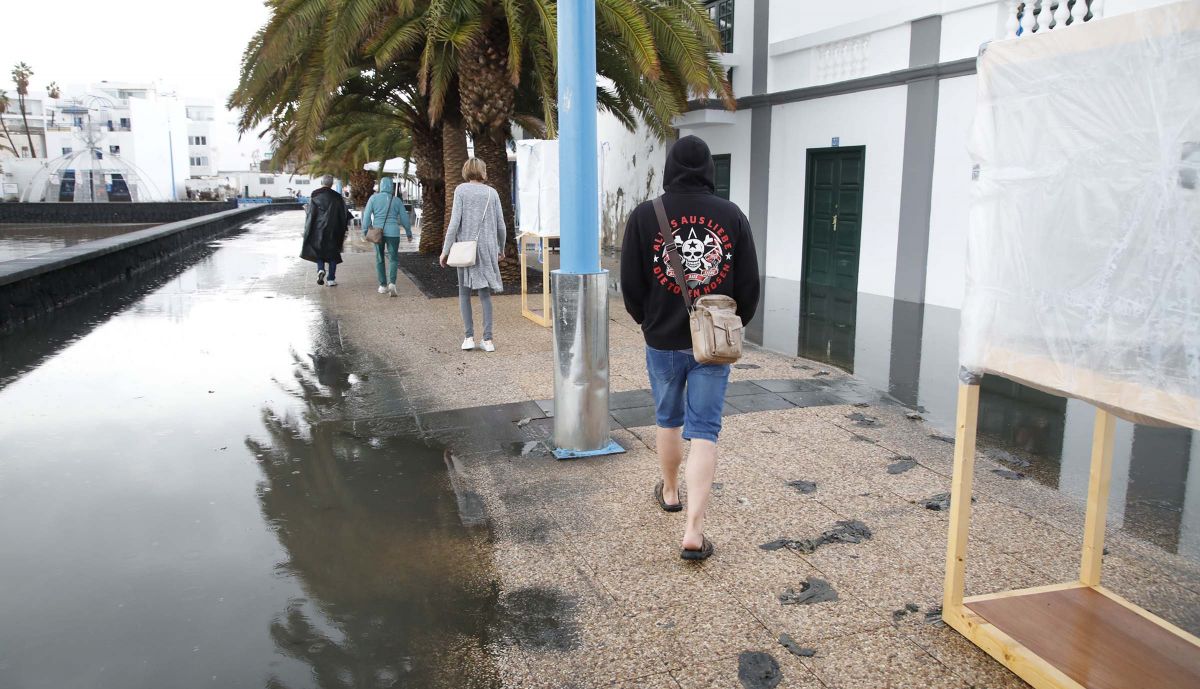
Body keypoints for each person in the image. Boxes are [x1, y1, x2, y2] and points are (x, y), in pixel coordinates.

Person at [619, 135, 760, 561]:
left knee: (668, 418)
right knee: (705, 430)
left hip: (662, 339)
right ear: (709, 171)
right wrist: (733, 324)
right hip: (714, 344)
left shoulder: (646, 215)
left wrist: (649, 321)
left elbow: (630, 282)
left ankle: (669, 491)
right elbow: (750, 283)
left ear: (670, 169)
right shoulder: (731, 215)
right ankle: (694, 531)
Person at [439, 158, 506, 353]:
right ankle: (488, 340)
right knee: (485, 295)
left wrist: (445, 250)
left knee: (464, 293)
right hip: (487, 249)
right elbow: (501, 225)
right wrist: (501, 248)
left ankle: (468, 337)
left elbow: (454, 223)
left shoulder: (460, 190)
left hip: (465, 249)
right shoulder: (492, 193)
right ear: (483, 172)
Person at [362, 177, 413, 297]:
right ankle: (392, 284)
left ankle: (383, 285)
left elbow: (366, 216)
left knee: (379, 258)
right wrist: (408, 233)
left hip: (377, 232)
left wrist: (365, 231)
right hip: (393, 233)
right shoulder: (396, 200)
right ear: (391, 186)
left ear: (381, 186)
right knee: (393, 258)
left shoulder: (373, 198)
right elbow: (404, 218)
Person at [301, 174, 351, 287]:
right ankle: (331, 279)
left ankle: (320, 269)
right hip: (334, 230)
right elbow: (343, 214)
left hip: (318, 229)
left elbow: (311, 214)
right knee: (333, 254)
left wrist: (307, 226)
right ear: (331, 184)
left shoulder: (315, 195)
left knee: (319, 251)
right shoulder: (337, 197)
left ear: (322, 183)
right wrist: (344, 229)